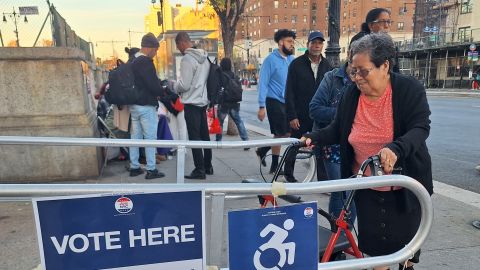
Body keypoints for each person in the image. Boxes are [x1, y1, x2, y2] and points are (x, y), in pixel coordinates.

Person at [302, 33, 433, 270]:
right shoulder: (351, 94)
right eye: (353, 71)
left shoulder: (408, 90)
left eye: (363, 71)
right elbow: (337, 129)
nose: (357, 78)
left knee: (406, 254)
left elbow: (420, 128)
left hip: (405, 189)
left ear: (384, 66)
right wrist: (312, 138)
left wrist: (395, 148)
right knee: (375, 256)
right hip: (367, 189)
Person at [309, 48, 356, 222]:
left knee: (354, 191)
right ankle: (338, 239)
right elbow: (314, 109)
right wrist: (344, 114)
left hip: (358, 144)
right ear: (350, 55)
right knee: (340, 191)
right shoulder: (332, 78)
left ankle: (346, 237)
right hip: (333, 145)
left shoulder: (366, 79)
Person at [283, 31, 332, 182]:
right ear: (308, 44)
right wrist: (292, 116)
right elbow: (289, 91)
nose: (317, 46)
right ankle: (288, 174)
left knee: (322, 147)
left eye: (319, 43)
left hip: (320, 115)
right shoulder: (296, 64)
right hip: (300, 114)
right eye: (314, 43)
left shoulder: (327, 65)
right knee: (295, 144)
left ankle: (323, 179)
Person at [174, 32, 213, 180]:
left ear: (182, 43)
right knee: (205, 136)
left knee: (195, 137)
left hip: (191, 103)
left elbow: (184, 85)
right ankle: (208, 165)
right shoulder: (205, 57)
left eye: (177, 46)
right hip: (202, 102)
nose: (178, 49)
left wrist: (174, 86)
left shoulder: (187, 59)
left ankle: (199, 169)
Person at [256, 29, 296, 174]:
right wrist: (261, 106)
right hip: (273, 100)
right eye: (289, 41)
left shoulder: (292, 60)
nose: (292, 44)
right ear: (280, 42)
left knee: (287, 133)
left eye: (293, 41)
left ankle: (264, 150)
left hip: (288, 102)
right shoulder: (270, 60)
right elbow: (263, 83)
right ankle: (275, 166)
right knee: (281, 133)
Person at [128, 33, 166, 179]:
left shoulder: (132, 60)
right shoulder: (145, 62)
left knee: (135, 138)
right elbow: (152, 85)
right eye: (155, 50)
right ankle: (151, 169)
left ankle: (134, 167)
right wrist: (161, 91)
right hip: (146, 105)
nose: (155, 54)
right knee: (150, 137)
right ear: (150, 48)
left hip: (134, 105)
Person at [351, 8, 399, 73]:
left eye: (388, 22)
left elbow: (395, 70)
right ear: (371, 25)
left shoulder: (390, 44)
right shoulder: (360, 40)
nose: (386, 26)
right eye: (382, 22)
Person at [215, 57, 250, 148]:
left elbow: (218, 87)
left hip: (224, 103)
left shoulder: (220, 75)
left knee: (220, 122)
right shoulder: (234, 75)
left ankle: (218, 141)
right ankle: (246, 141)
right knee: (238, 121)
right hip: (234, 103)